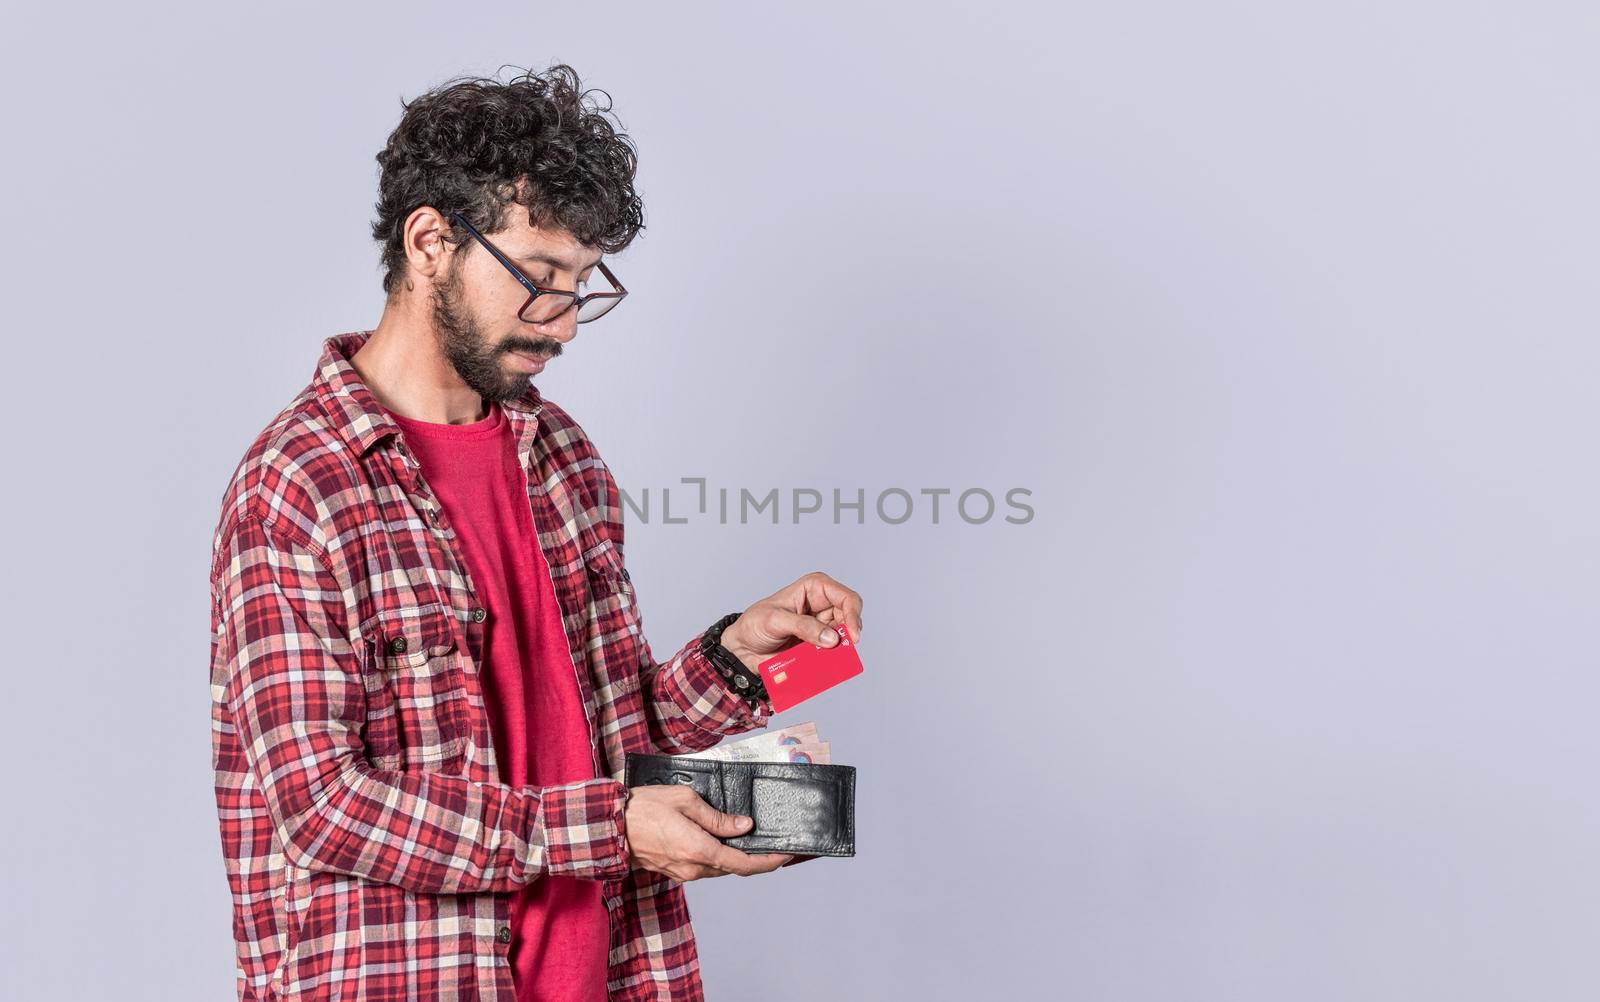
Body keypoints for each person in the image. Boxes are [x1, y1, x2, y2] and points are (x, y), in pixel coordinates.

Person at [207, 63, 864, 1002]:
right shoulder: (299, 485)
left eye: (584, 285)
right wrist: (608, 827)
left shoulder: (561, 457)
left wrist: (739, 655)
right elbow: (323, 809)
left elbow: (609, 740)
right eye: (539, 278)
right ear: (431, 240)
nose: (562, 323)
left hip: (616, 971)